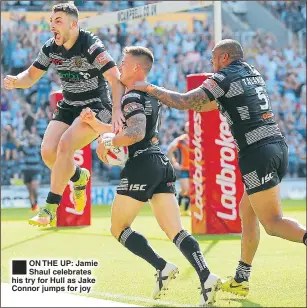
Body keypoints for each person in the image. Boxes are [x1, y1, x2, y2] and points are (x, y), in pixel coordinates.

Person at [127, 39, 307, 297]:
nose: (211, 64)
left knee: (272, 223)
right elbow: (210, 104)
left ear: (224, 57)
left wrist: (151, 89)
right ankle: (241, 278)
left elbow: (188, 101)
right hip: (278, 146)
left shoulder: (223, 76)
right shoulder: (252, 72)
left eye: (213, 58)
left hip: (256, 152)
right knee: (247, 211)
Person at [80, 46, 221, 306]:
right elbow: (129, 129)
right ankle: (206, 275)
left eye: (123, 62)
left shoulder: (131, 96)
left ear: (136, 68)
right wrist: (97, 127)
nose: (119, 66)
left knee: (118, 228)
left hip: (141, 163)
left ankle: (162, 266)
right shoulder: (149, 93)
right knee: (176, 231)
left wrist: (108, 142)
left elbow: (133, 134)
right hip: (160, 162)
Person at [3, 3, 125, 227]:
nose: (52, 26)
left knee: (66, 145)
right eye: (51, 21)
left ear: (74, 24)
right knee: (48, 153)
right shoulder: (51, 47)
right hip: (69, 105)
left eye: (57, 21)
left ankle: (49, 208)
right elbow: (30, 75)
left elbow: (115, 78)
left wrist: (117, 110)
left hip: (96, 106)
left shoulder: (91, 45)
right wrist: (16, 81)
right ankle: (79, 176)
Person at [11, 133, 42, 212]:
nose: (31, 140)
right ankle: (33, 206)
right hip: (26, 171)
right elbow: (16, 143)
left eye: (33, 138)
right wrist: (11, 134)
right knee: (30, 190)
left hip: (36, 171)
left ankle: (36, 202)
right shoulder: (25, 148)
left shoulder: (38, 148)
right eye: (30, 139)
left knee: (34, 188)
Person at [167, 122, 191, 216]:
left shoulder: (197, 139)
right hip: (183, 168)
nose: (189, 128)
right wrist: (174, 162)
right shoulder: (181, 140)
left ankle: (185, 210)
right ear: (185, 128)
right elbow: (170, 150)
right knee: (186, 189)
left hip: (194, 169)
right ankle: (178, 208)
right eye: (187, 127)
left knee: (188, 191)